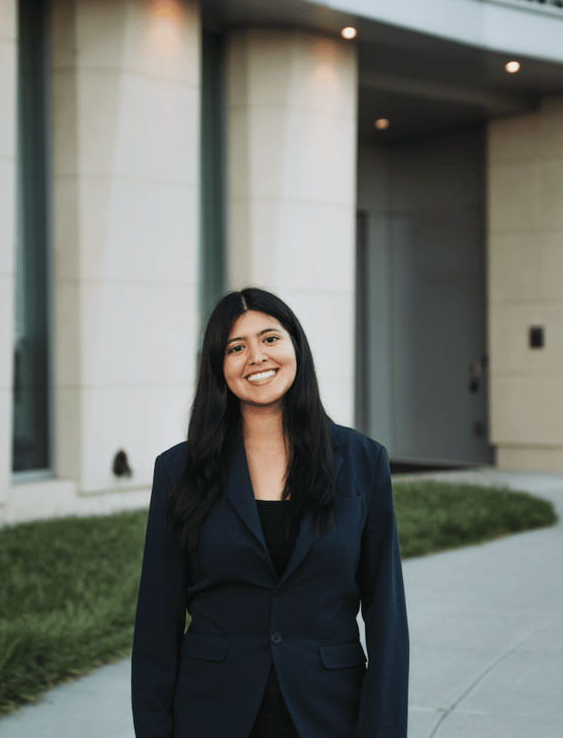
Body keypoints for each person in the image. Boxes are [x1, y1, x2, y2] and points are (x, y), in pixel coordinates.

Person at [132, 287, 409, 738]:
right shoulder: (178, 470)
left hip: (330, 714)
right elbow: (155, 629)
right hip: (212, 714)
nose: (256, 357)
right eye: (236, 348)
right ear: (218, 368)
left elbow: (387, 619)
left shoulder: (363, 462)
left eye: (270, 338)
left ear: (295, 344)